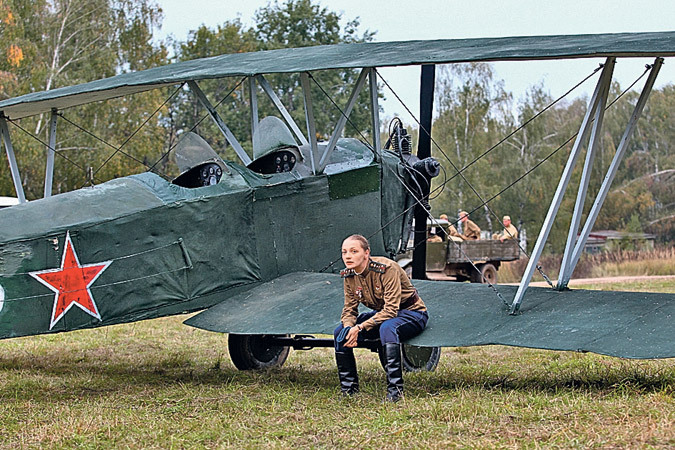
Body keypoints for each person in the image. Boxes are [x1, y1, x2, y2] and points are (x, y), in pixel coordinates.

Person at [334, 234, 428, 402]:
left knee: (388, 327)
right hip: (382, 315)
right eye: (344, 252)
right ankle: (348, 390)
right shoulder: (349, 275)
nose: (348, 256)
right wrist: (349, 327)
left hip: (411, 313)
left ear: (366, 253)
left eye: (354, 251)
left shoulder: (387, 268)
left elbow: (391, 310)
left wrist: (360, 327)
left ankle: (395, 392)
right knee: (340, 332)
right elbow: (349, 310)